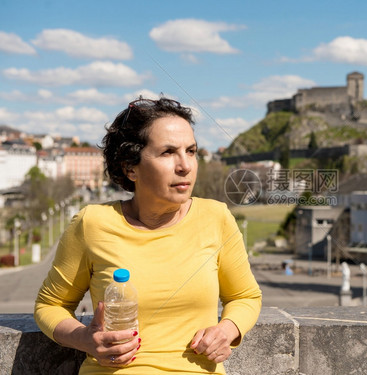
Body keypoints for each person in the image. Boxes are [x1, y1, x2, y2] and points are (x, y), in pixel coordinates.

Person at [34, 97, 262, 374]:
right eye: (168, 152)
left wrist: (228, 330)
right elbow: (50, 305)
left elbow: (245, 296)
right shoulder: (92, 223)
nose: (185, 166)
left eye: (191, 151)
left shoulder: (216, 217)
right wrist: (84, 338)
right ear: (131, 168)